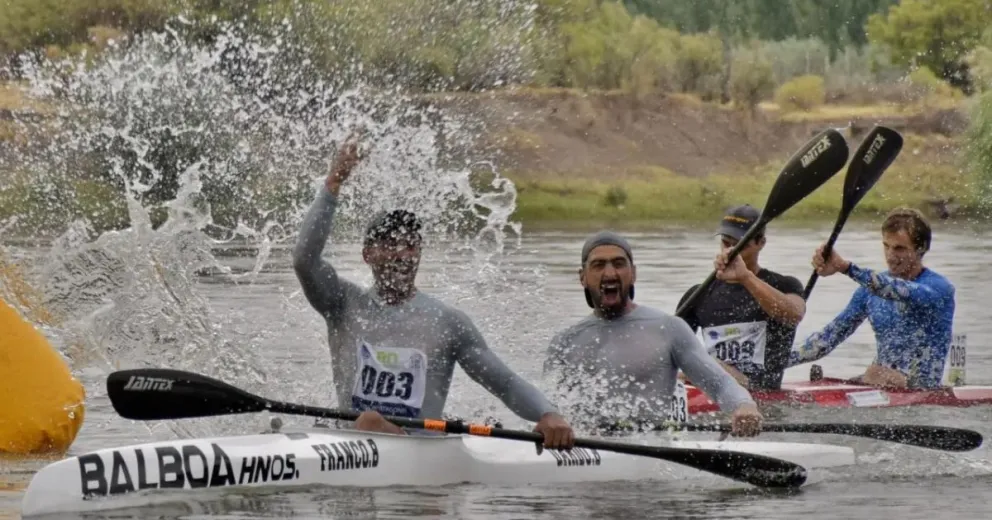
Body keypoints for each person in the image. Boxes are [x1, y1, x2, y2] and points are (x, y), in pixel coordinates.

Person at [293, 137, 575, 450]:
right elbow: (304, 260)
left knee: (370, 420)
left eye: (409, 245)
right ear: (367, 255)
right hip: (350, 448)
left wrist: (548, 414)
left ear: (419, 253)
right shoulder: (342, 303)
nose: (400, 254)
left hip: (423, 456)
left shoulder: (447, 323)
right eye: (388, 245)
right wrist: (334, 182)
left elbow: (505, 384)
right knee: (368, 421)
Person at [543, 230, 764, 436]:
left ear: (633, 274)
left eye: (619, 264)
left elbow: (720, 384)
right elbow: (547, 410)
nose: (609, 272)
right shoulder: (564, 342)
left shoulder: (669, 328)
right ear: (582, 277)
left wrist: (743, 406)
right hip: (589, 451)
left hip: (652, 453)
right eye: (598, 265)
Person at [788, 208, 955, 389]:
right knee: (865, 375)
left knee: (875, 372)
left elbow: (898, 290)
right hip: (882, 383)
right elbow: (827, 338)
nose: (890, 256)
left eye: (899, 248)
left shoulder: (939, 289)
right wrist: (773, 362)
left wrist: (844, 267)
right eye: (886, 246)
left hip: (923, 388)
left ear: (921, 248)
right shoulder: (867, 292)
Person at [676, 205, 806, 391]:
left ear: (761, 243)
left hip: (759, 391)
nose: (731, 251)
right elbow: (671, 347)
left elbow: (793, 316)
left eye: (739, 244)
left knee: (708, 363)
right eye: (726, 242)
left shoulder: (784, 285)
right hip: (716, 385)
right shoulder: (699, 294)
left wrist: (745, 277)